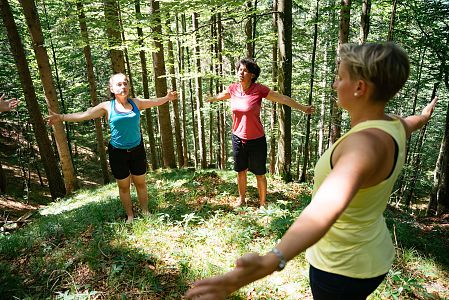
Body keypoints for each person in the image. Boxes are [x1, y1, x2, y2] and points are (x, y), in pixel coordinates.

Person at [185, 43, 438, 300]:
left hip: (341, 268)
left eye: (340, 78)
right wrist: (424, 115)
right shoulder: (393, 124)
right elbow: (412, 122)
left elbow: (324, 208)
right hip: (371, 255)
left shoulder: (363, 146)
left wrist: (269, 262)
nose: (334, 85)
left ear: (360, 87)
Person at [47, 73, 177, 223]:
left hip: (137, 150)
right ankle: (130, 216)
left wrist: (167, 98)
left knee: (140, 183)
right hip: (118, 153)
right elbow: (85, 115)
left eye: (125, 83)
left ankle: (145, 211)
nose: (123, 87)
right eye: (119, 84)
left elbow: (154, 102)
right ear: (112, 89)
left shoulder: (136, 103)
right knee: (124, 187)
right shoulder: (107, 107)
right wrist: (61, 117)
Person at [208, 58, 314, 208]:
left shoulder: (259, 89)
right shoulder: (233, 89)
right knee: (240, 171)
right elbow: (222, 95)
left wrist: (303, 107)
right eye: (239, 70)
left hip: (256, 139)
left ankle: (263, 204)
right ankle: (242, 199)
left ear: (252, 75)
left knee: (259, 173)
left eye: (245, 70)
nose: (241, 73)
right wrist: (210, 98)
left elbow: (282, 98)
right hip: (237, 137)